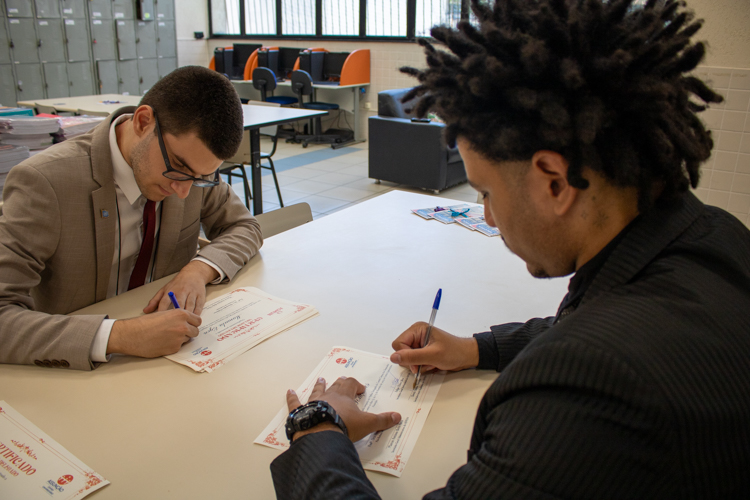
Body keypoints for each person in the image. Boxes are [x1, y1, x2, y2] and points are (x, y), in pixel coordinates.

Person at [270, 0, 750, 497]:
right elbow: (595, 323)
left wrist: (317, 430)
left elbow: (595, 355)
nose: (488, 216)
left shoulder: (584, 390)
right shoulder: (715, 235)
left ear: (554, 183)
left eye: (486, 192)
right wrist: (477, 348)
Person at [0, 66, 262, 371]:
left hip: (168, 362)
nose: (183, 191)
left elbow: (245, 226)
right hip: (76, 367)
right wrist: (119, 335)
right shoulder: (45, 182)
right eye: (178, 167)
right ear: (142, 122)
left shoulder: (190, 175)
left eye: (201, 178)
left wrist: (198, 270)